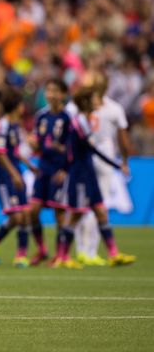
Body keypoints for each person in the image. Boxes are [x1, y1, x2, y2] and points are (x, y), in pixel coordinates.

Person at [54, 87, 135, 269]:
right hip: (80, 174)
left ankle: (113, 254)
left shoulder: (86, 121)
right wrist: (117, 165)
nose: (100, 102)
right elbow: (90, 150)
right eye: (96, 99)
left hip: (88, 172)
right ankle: (63, 255)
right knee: (76, 215)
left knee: (100, 211)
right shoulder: (80, 122)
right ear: (86, 102)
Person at [74, 74, 133, 266]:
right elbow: (123, 139)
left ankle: (80, 250)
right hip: (104, 154)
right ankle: (91, 251)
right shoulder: (115, 109)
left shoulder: (75, 107)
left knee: (80, 206)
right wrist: (124, 161)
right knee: (100, 205)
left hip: (82, 157)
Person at [0, 88, 37, 268]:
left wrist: (29, 166)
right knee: (18, 216)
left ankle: (19, 255)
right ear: (16, 106)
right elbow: (0, 153)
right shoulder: (3, 125)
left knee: (24, 215)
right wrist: (14, 174)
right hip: (4, 176)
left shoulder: (15, 125)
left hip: (16, 173)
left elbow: (15, 151)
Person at [28, 79, 70, 265]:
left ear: (63, 94)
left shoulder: (68, 118)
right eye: (48, 90)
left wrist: (65, 169)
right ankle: (42, 249)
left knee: (59, 213)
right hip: (43, 168)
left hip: (59, 170)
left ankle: (61, 255)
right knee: (33, 211)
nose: (50, 94)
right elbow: (38, 142)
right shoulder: (41, 117)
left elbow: (72, 148)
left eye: (54, 90)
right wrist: (33, 144)